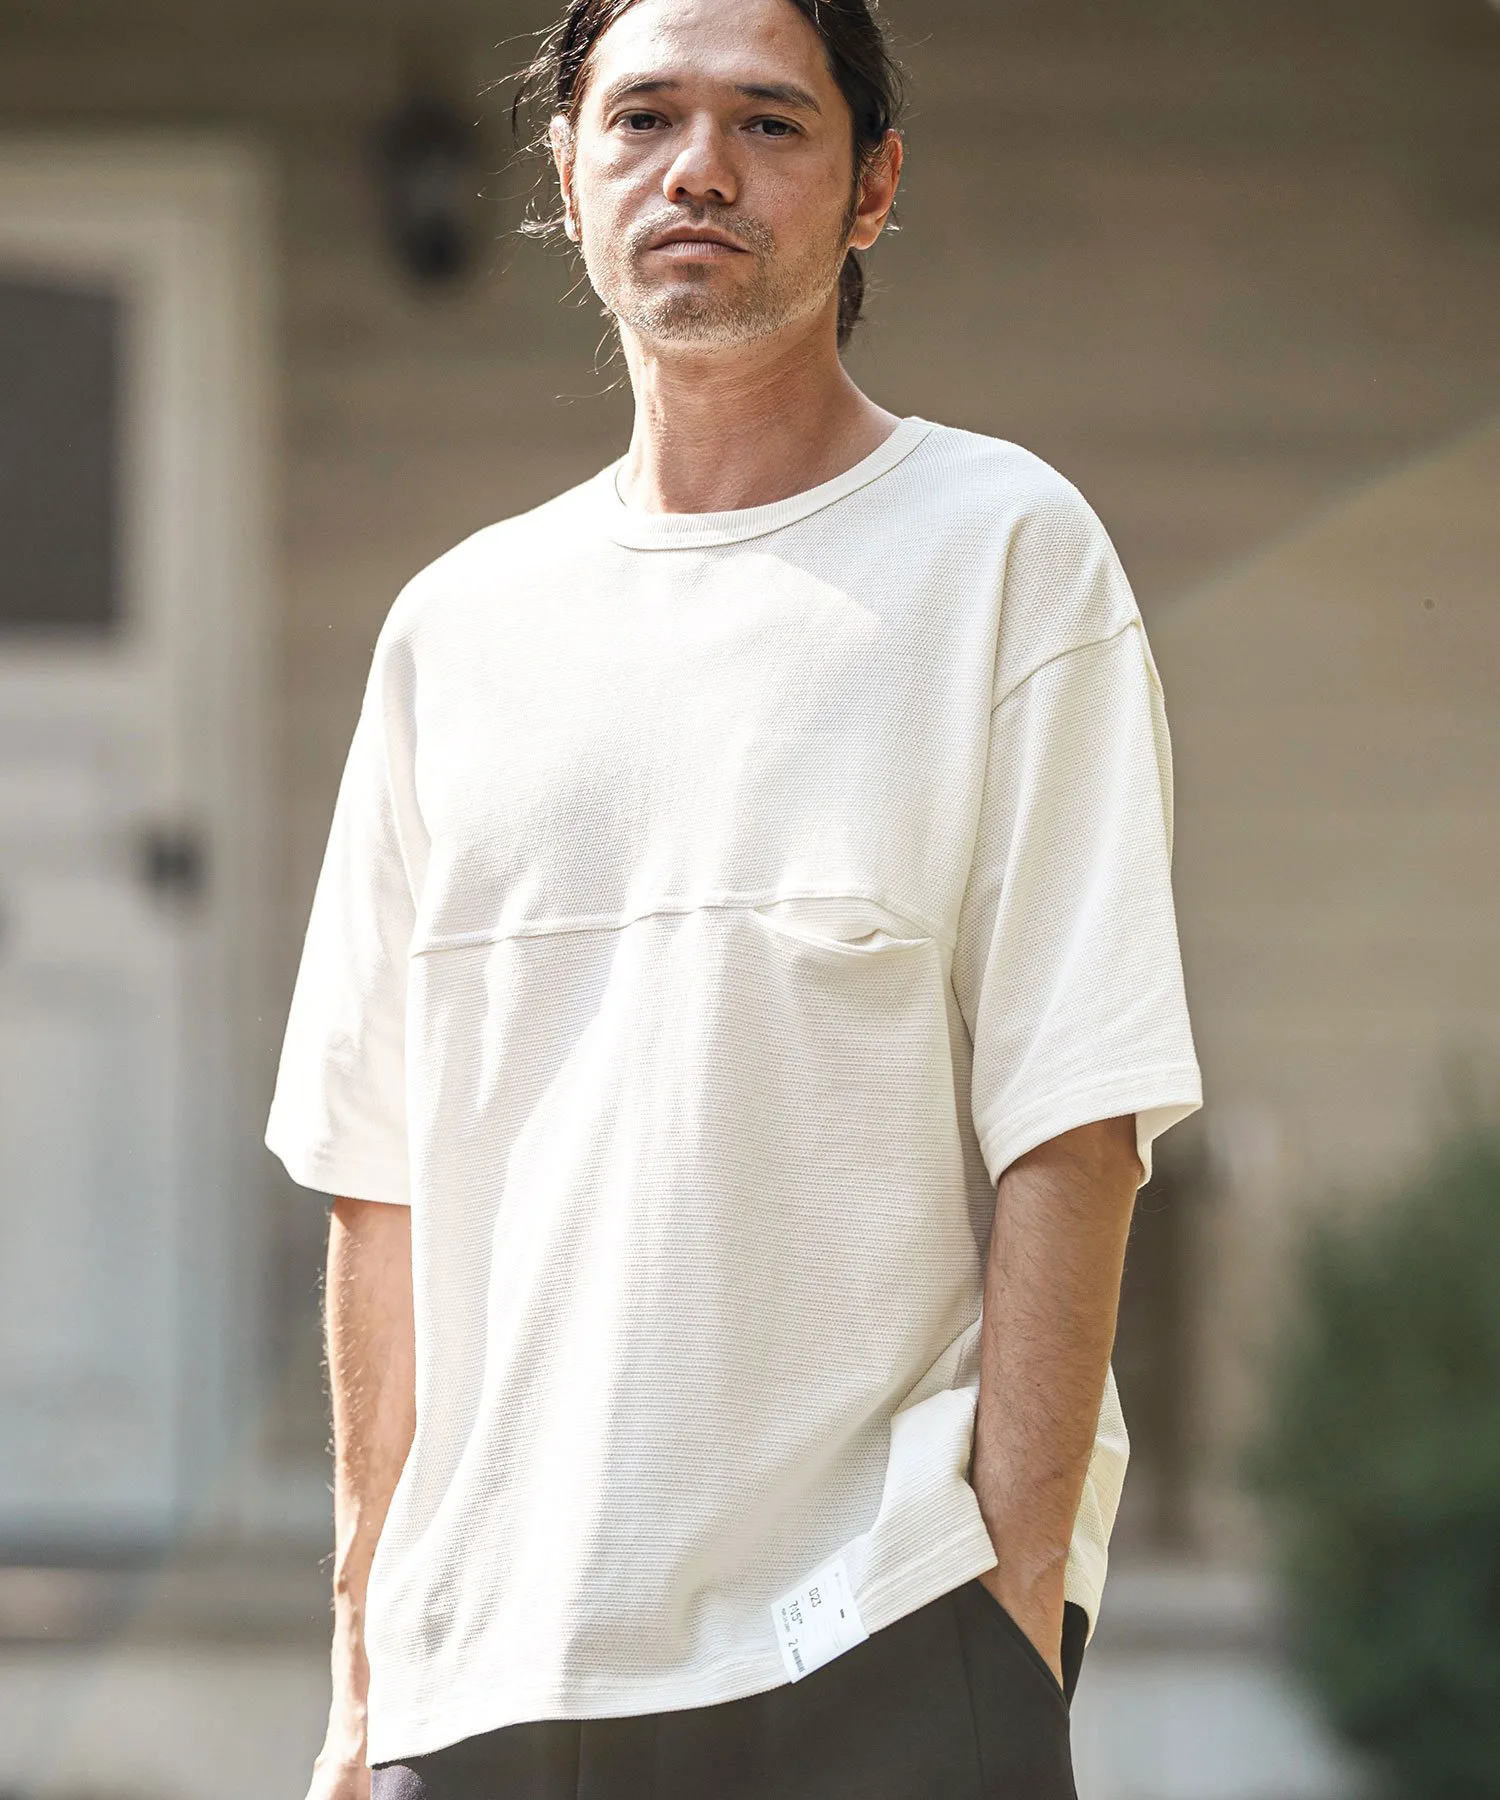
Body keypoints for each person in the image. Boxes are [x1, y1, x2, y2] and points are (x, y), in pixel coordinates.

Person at [266, 0, 1202, 1794]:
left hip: (873, 1633)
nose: (699, 169)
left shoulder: (1004, 555)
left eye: (771, 123)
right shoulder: (454, 631)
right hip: (488, 1663)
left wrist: (1011, 1604)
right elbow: (377, 1183)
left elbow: (1077, 1120)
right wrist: (363, 1661)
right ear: (567, 174)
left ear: (873, 188)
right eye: (645, 119)